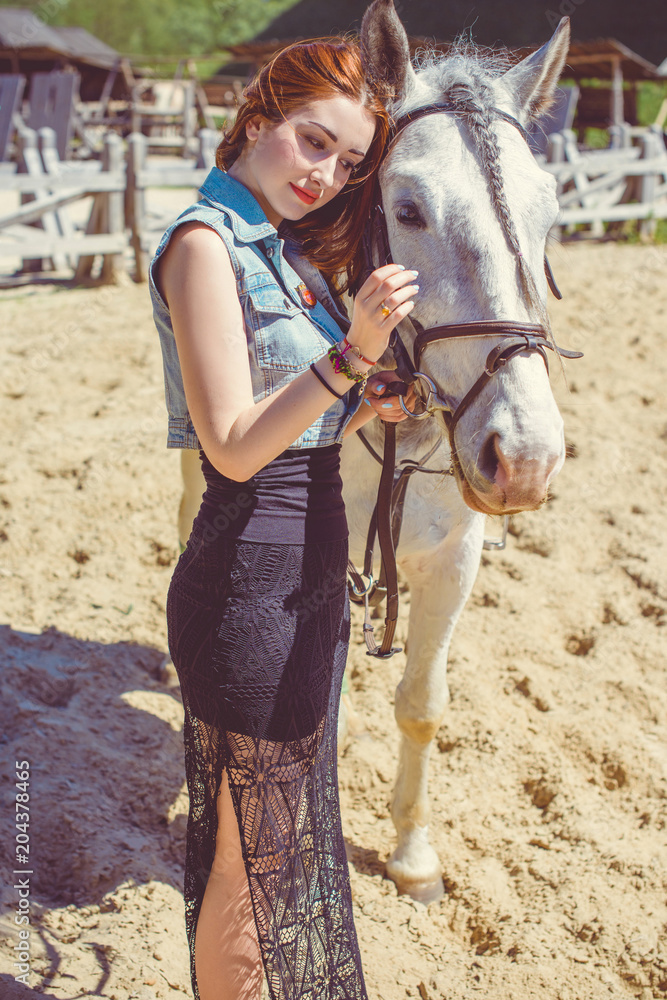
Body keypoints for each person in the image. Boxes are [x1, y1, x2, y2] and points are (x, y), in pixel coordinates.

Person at [150, 36, 419, 1000]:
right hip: (247, 584)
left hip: (304, 576)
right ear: (259, 119)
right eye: (313, 143)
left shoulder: (284, 251)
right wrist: (349, 356)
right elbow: (229, 443)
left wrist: (364, 392)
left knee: (278, 846)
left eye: (346, 163)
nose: (325, 175)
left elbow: (291, 411)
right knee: (249, 860)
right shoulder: (203, 246)